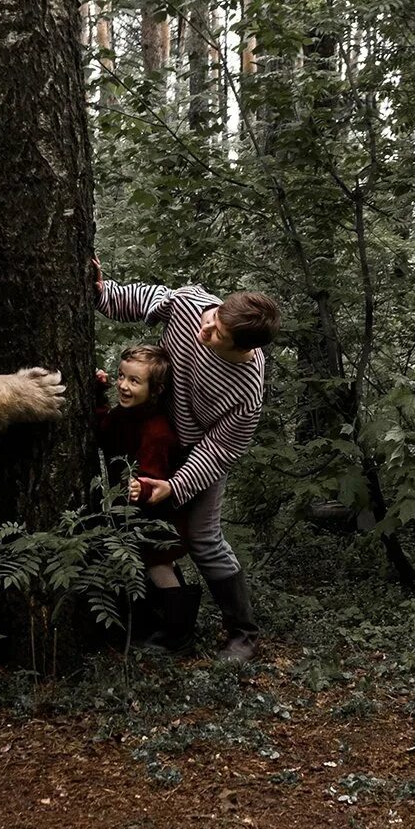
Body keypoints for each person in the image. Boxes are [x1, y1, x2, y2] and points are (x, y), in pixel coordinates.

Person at [92, 258, 280, 662]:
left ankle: (242, 634)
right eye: (212, 317)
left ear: (242, 347)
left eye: (217, 334)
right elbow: (148, 301)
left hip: (197, 455)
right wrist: (101, 293)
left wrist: (177, 486)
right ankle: (170, 624)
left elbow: (223, 449)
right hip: (156, 437)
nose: (204, 328)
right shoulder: (194, 306)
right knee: (148, 533)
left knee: (202, 537)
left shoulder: (246, 388)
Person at [94, 346, 200, 653]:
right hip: (138, 512)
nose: (124, 386)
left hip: (161, 514)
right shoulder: (125, 415)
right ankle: (157, 622)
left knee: (158, 564)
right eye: (121, 377)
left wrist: (141, 485)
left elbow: (155, 472)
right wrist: (100, 396)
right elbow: (103, 434)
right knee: (147, 563)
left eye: (134, 381)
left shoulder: (156, 428)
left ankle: (179, 636)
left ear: (155, 389)